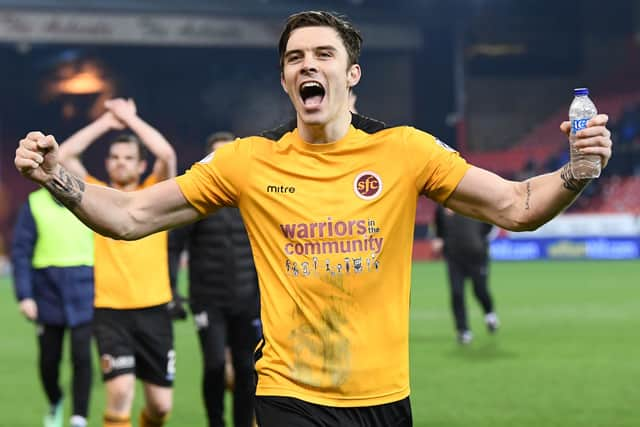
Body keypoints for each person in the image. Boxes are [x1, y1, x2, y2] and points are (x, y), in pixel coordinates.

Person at [15, 11, 613, 427]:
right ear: (284, 79)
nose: (308, 64)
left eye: (324, 54)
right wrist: (59, 179)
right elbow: (131, 214)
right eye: (295, 57)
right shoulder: (247, 160)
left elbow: (516, 205)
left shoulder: (407, 151)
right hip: (288, 394)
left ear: (351, 74)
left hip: (384, 398)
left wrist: (577, 171)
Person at [54, 97, 177, 427]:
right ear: (107, 164)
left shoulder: (155, 194)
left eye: (128, 158)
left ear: (140, 166)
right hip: (110, 311)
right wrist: (106, 123)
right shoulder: (97, 196)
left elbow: (166, 155)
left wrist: (130, 120)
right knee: (121, 391)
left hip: (155, 310)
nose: (120, 163)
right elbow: (63, 157)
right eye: (115, 157)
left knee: (161, 406)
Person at [168, 131, 261, 427]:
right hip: (208, 300)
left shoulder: (254, 198)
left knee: (248, 369)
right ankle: (216, 423)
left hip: (248, 300)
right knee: (215, 365)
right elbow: (173, 246)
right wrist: (172, 290)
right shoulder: (197, 202)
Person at [11, 188, 95, 427]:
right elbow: (21, 252)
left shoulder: (89, 196)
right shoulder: (34, 203)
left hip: (85, 290)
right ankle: (55, 399)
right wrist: (25, 296)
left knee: (82, 356)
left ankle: (79, 416)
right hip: (47, 294)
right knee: (49, 362)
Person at [433, 205, 498, 344]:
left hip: (477, 257)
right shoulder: (442, 206)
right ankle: (463, 330)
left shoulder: (475, 204)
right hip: (454, 257)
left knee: (480, 290)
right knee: (457, 293)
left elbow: (489, 225)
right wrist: (439, 239)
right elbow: (439, 227)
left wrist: (479, 240)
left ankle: (489, 314)